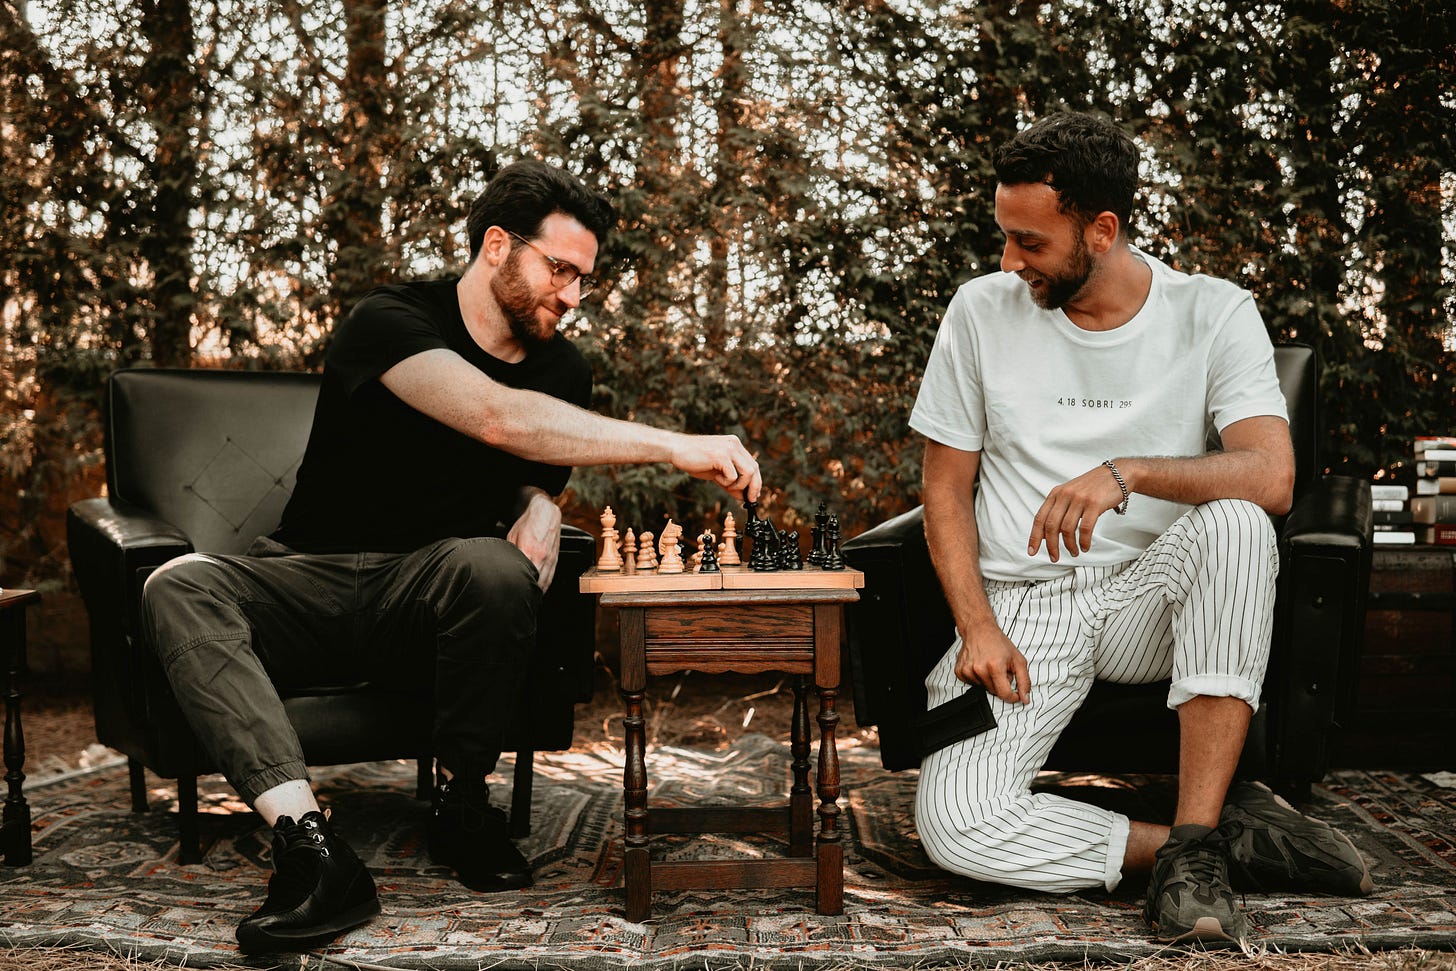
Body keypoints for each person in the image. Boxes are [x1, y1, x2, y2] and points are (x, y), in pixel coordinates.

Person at [140, 159, 762, 953]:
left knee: (495, 567)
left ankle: (462, 802)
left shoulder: (563, 368)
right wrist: (677, 446)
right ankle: (312, 849)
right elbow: (496, 417)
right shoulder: (390, 319)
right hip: (306, 579)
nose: (574, 295)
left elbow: (528, 469)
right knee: (176, 586)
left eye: (585, 279)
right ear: (497, 245)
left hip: (428, 595)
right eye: (560, 269)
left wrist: (543, 504)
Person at [908, 112, 1372, 945]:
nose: (1010, 260)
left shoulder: (1214, 312)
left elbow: (1273, 475)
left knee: (1237, 522)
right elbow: (944, 486)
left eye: (1029, 241)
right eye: (1005, 236)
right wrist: (976, 625)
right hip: (1025, 609)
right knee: (956, 826)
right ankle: (1202, 849)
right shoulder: (979, 311)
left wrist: (1131, 471)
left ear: (1102, 229)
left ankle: (1196, 835)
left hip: (1150, 599)